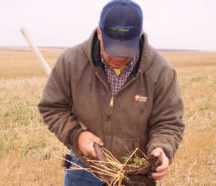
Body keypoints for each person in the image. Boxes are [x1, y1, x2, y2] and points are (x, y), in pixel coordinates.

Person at [38, 0, 185, 185]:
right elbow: (52, 108)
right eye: (112, 50)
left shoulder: (161, 72)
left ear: (138, 36)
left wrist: (162, 149)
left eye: (125, 52)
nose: (117, 58)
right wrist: (77, 136)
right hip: (84, 169)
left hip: (133, 174)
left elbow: (169, 123)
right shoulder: (71, 62)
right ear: (99, 32)